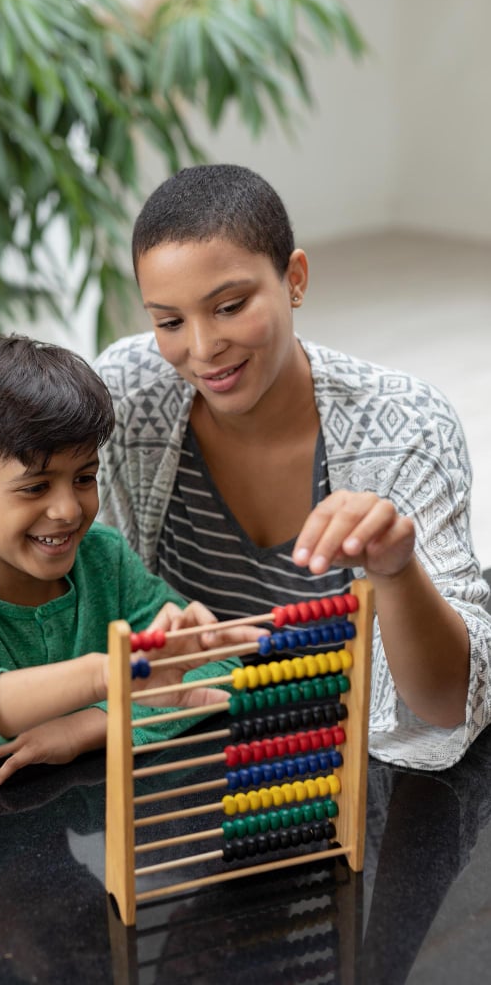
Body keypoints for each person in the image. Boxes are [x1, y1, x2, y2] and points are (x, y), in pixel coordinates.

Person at [93, 163, 491, 771]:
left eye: (229, 306)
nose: (201, 348)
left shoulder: (408, 425)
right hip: (185, 746)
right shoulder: (126, 395)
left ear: (295, 279)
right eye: (169, 321)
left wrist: (396, 569)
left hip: (348, 766)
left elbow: (447, 703)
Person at [0, 333, 258, 794]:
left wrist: (89, 724)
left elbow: (216, 667)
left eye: (84, 477)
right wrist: (104, 675)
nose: (69, 510)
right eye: (35, 487)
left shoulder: (102, 559)